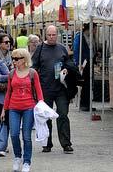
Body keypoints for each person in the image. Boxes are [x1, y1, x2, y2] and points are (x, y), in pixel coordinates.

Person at [31, 25, 78, 154]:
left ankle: (66, 144)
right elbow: (34, 67)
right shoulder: (40, 48)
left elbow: (69, 64)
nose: (51, 37)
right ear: (45, 35)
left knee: (63, 115)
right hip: (45, 88)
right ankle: (47, 144)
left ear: (57, 35)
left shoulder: (62, 48)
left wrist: (67, 70)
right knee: (46, 117)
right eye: (49, 35)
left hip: (61, 88)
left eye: (54, 35)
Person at [2, 49, 44, 172]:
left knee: (26, 136)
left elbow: (39, 90)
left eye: (16, 58)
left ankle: (27, 161)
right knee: (14, 134)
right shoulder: (11, 74)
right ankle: (17, 157)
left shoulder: (32, 73)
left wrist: (41, 105)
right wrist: (4, 109)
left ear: (24, 59)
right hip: (13, 107)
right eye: (13, 58)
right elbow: (8, 92)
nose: (14, 61)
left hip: (29, 107)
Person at [73, 23, 95, 111]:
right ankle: (84, 104)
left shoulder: (90, 37)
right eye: (94, 29)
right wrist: (79, 63)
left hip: (89, 61)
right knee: (85, 83)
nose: (95, 31)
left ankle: (88, 104)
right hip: (84, 63)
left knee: (89, 84)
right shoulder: (80, 36)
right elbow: (76, 50)